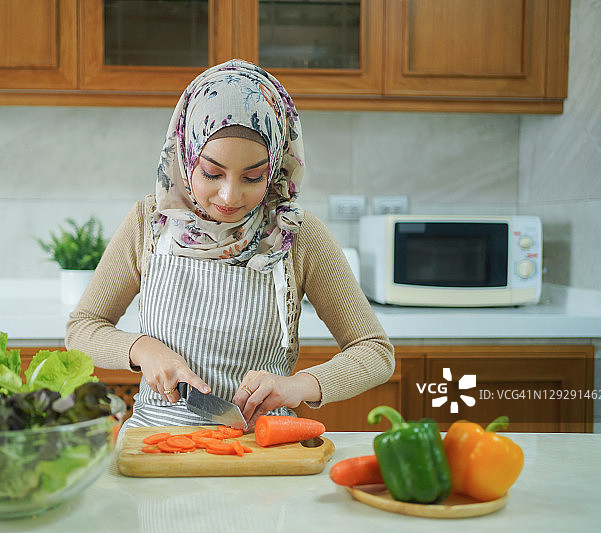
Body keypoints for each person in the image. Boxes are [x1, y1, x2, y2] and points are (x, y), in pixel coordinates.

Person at [66, 59, 394, 433]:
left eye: (253, 177)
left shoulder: (296, 234)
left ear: (275, 167)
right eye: (212, 172)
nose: (229, 195)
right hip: (155, 440)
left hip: (260, 444)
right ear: (186, 154)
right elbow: (82, 328)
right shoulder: (150, 223)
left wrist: (298, 386)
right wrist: (140, 348)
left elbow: (375, 351)